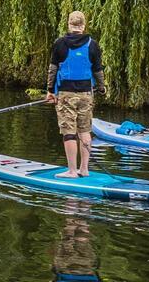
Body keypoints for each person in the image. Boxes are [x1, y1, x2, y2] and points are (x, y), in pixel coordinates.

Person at [43, 11, 104, 178]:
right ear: (83, 25)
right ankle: (84, 169)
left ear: (69, 24)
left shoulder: (60, 43)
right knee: (85, 130)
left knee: (68, 131)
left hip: (66, 95)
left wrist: (50, 91)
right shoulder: (93, 45)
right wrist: (102, 87)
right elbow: (98, 70)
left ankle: (71, 171)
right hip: (86, 93)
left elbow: (53, 70)